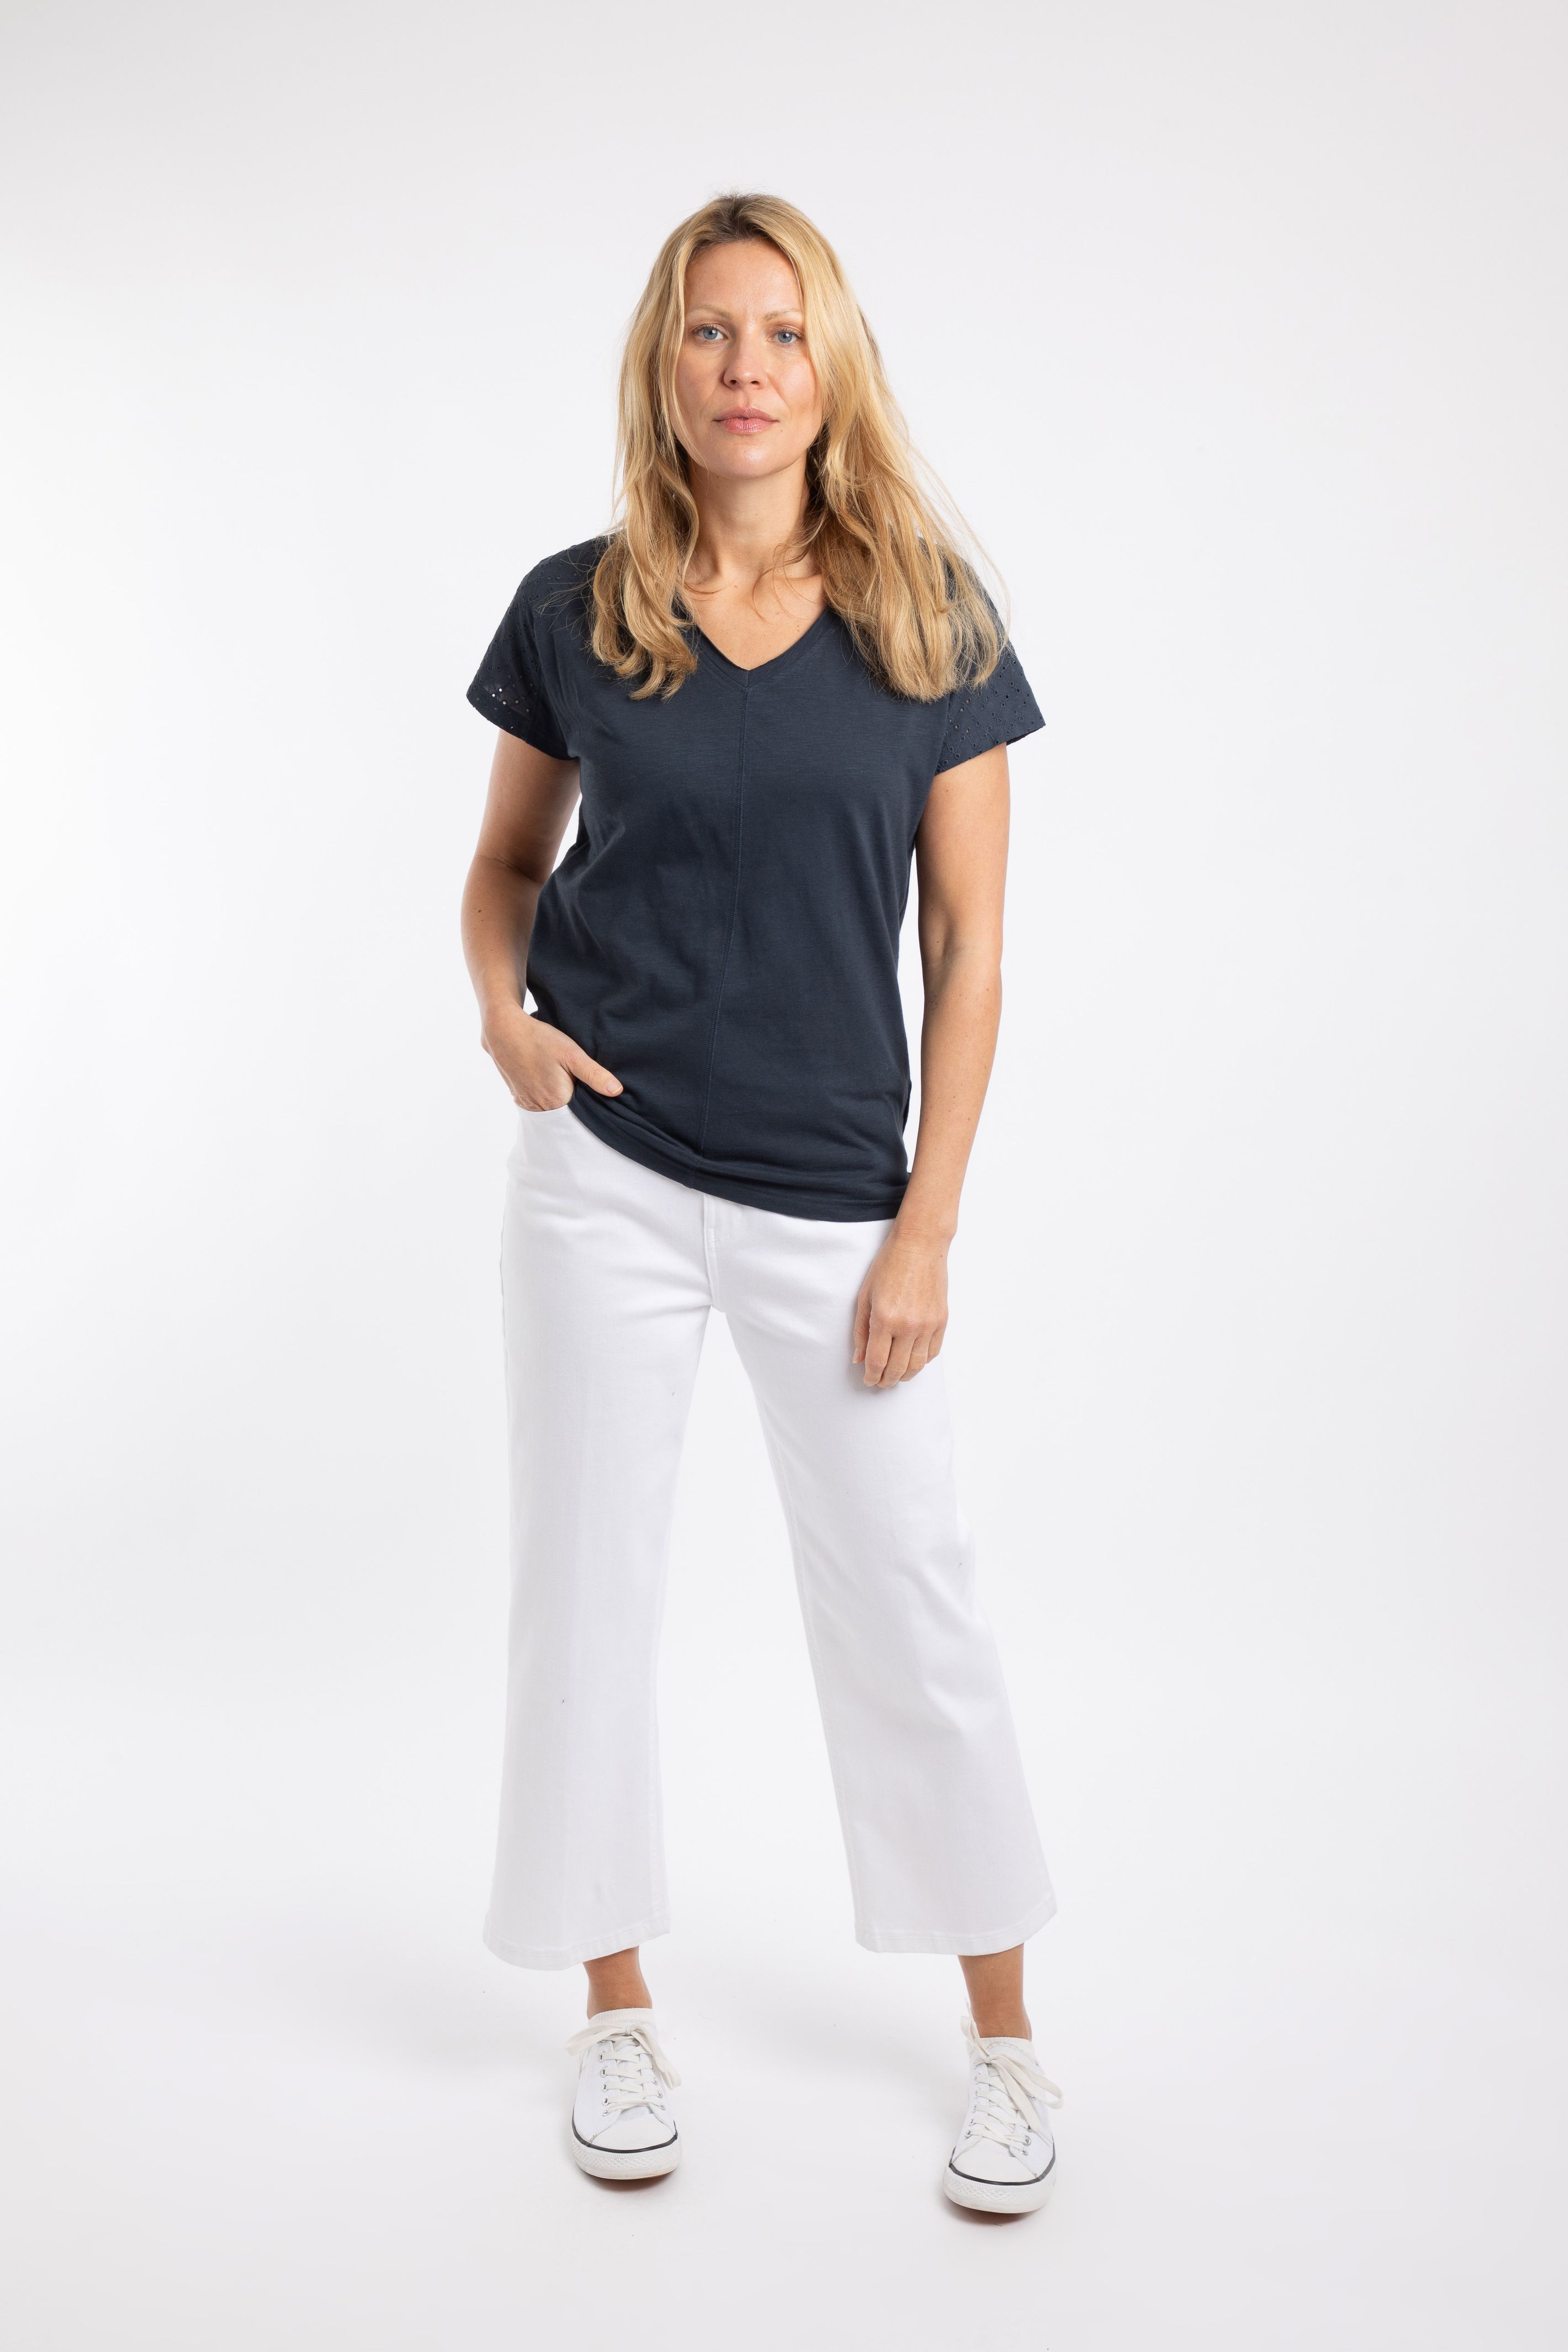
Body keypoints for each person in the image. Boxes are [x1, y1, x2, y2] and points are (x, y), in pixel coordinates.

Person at [459, 193, 1061, 2213]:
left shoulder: (930, 616)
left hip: (836, 1197)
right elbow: (504, 872)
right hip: (603, 1173)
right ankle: (613, 2005)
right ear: (667, 363)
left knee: (912, 1601)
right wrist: (504, 1020)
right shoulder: (579, 607)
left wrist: (929, 1225)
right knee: (585, 1590)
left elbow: (971, 950)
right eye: (712, 331)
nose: (746, 367)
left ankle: (1008, 2040)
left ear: (831, 366)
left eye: (781, 332)